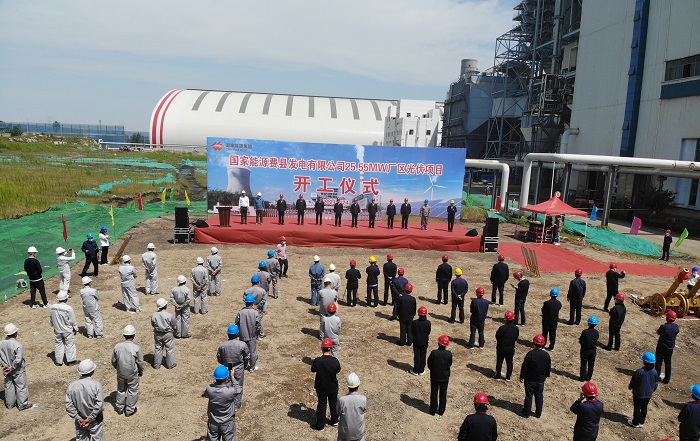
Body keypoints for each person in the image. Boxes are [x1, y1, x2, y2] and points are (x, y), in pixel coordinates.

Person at [65, 359, 104, 441]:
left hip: (80, 421)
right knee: (98, 438)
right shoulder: (96, 385)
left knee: (81, 439)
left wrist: (78, 418)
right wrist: (89, 419)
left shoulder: (72, 386)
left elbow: (68, 405)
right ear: (92, 372)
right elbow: (99, 405)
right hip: (95, 420)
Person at [111, 325, 144, 417]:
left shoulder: (117, 346)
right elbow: (140, 362)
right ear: (134, 335)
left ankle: (119, 408)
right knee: (132, 390)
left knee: (121, 390)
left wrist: (117, 368)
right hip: (132, 373)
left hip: (121, 373)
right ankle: (129, 410)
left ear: (124, 335)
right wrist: (140, 371)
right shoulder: (136, 348)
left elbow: (113, 360)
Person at [1, 323, 35, 411]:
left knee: (9, 386)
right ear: (15, 333)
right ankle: (22, 405)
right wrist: (12, 367)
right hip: (17, 370)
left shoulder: (1, 343)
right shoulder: (17, 345)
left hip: (6, 369)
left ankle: (10, 404)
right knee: (21, 386)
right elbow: (18, 359)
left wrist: (5, 366)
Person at [205, 365, 243, 441]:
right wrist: (232, 377)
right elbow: (239, 389)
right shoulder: (230, 391)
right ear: (226, 377)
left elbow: (214, 384)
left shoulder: (209, 389)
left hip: (213, 422)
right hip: (227, 422)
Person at [311, 338, 341, 431]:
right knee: (333, 403)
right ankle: (334, 420)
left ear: (322, 348)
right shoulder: (335, 361)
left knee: (322, 404)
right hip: (333, 386)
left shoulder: (318, 361)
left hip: (321, 387)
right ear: (331, 348)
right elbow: (338, 370)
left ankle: (320, 425)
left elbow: (313, 369)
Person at [519, 334, 551, 418]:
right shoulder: (546, 355)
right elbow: (548, 367)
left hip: (530, 379)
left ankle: (526, 413)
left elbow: (524, 366)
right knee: (539, 395)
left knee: (529, 396)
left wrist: (522, 376)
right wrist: (546, 376)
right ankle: (538, 413)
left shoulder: (530, 354)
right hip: (540, 379)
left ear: (534, 343)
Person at [628, 352, 659, 428]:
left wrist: (630, 386)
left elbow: (634, 381)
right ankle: (641, 422)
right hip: (648, 394)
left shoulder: (640, 371)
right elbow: (656, 383)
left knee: (637, 407)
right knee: (644, 407)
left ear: (645, 362)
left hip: (638, 394)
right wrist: (652, 390)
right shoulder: (655, 372)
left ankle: (635, 422)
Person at [49, 290, 79, 366]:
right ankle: (71, 361)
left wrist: (53, 325)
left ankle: (58, 361)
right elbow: (72, 320)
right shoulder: (68, 308)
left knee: (58, 344)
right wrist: (75, 328)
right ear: (65, 299)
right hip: (67, 330)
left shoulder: (53, 307)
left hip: (57, 330)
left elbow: (51, 318)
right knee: (70, 344)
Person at [337, 373, 367, 441]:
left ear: (347, 386)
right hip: (358, 434)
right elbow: (364, 409)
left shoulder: (342, 400)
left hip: (344, 434)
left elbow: (338, 412)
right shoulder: (363, 399)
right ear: (358, 385)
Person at [428, 335, 452, 416]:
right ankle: (441, 411)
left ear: (438, 343)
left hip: (435, 376)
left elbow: (429, 364)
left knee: (434, 393)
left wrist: (433, 370)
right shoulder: (449, 354)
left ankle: (433, 410)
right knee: (443, 394)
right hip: (445, 377)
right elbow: (450, 363)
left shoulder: (434, 353)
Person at [236, 294, 262, 373]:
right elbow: (258, 325)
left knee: (243, 351)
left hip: (242, 335)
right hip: (252, 335)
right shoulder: (255, 313)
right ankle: (252, 367)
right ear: (252, 303)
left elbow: (236, 323)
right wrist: (258, 334)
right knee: (252, 351)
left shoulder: (240, 312)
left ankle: (244, 365)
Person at [151, 298, 176, 369]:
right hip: (168, 334)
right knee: (169, 349)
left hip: (158, 334)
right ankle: (170, 364)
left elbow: (153, 324)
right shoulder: (169, 315)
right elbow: (174, 324)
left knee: (158, 349)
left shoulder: (154, 315)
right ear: (165, 306)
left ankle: (157, 365)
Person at [655, 309, 680, 384]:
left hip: (662, 347)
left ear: (667, 318)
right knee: (668, 363)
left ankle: (656, 378)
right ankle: (667, 379)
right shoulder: (676, 327)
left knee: (658, 363)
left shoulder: (664, 327)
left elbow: (658, 332)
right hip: (670, 348)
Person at [494, 310, 519, 381]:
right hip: (510, 348)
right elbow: (516, 337)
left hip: (501, 348)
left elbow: (497, 336)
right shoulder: (516, 328)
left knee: (499, 362)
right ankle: (508, 377)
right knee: (509, 362)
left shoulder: (502, 328)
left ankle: (498, 375)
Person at [410, 306, 431, 376]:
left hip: (416, 341)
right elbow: (428, 332)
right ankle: (421, 370)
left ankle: (415, 370)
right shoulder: (428, 323)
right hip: (425, 341)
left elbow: (412, 332)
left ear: (418, 314)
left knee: (417, 355)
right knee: (423, 355)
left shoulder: (414, 323)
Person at [579, 316, 599, 382]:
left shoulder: (585, 332)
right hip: (593, 350)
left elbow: (581, 340)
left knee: (583, 364)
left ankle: (582, 377)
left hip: (585, 350)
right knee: (591, 365)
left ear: (589, 323)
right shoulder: (596, 332)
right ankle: (588, 378)